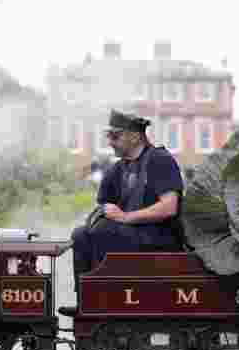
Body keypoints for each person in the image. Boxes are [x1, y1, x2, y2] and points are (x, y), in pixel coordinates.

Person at [69, 109, 185, 285]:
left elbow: (169, 207)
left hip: (158, 236)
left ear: (135, 137)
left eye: (115, 137)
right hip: (129, 233)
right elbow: (105, 207)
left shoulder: (160, 160)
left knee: (104, 231)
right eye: (109, 137)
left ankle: (111, 294)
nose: (110, 142)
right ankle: (86, 299)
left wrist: (126, 217)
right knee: (80, 234)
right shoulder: (116, 169)